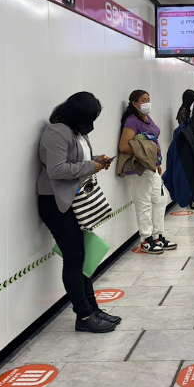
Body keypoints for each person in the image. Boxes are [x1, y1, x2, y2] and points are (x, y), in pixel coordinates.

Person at [37, 92, 120, 333]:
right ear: (78, 114)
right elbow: (57, 169)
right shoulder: (57, 132)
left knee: (80, 258)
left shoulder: (76, 132)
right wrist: (90, 166)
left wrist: (95, 160)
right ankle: (83, 316)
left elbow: (76, 160)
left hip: (73, 201)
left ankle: (92, 309)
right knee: (74, 258)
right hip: (56, 204)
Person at [118, 90, 176, 254]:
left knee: (159, 200)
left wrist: (156, 161)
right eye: (144, 100)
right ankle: (146, 239)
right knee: (143, 203)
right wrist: (149, 151)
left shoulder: (146, 118)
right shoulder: (132, 121)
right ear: (135, 103)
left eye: (148, 99)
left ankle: (158, 236)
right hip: (139, 168)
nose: (147, 103)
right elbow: (124, 146)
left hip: (152, 166)